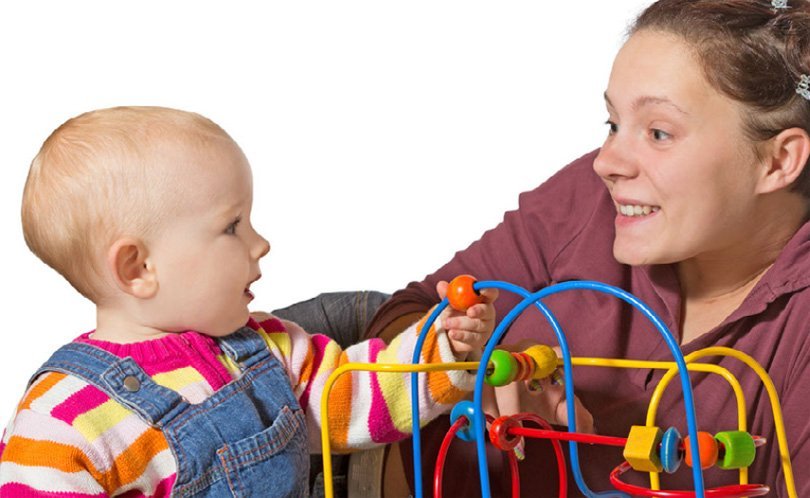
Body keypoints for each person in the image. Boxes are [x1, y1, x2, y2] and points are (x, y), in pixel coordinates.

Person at [363, 0, 810, 496]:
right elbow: (407, 312)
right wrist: (462, 368)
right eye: (612, 124)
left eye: (658, 132)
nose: (607, 162)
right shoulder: (591, 201)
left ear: (778, 161)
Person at [0, 106, 499, 497]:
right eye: (232, 226)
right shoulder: (62, 422)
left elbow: (355, 397)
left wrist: (440, 348)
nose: (260, 244)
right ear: (139, 268)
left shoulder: (268, 349)